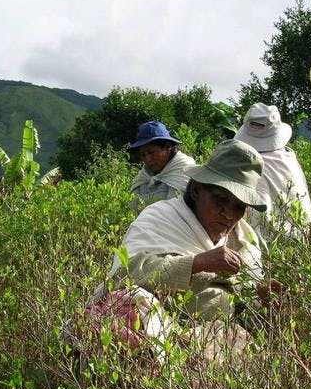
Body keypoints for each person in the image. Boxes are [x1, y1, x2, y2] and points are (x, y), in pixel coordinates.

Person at [86, 140, 277, 363]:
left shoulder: (244, 242)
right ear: (196, 190)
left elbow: (251, 319)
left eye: (239, 207)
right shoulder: (160, 218)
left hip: (217, 348)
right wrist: (197, 263)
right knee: (125, 308)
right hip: (161, 345)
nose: (229, 214)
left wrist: (266, 303)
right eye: (221, 200)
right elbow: (124, 275)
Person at [234, 103, 311, 239]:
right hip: (300, 236)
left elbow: (256, 217)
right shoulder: (289, 156)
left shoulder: (253, 167)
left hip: (272, 243)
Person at [128, 121, 195, 208]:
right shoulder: (144, 177)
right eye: (143, 155)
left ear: (167, 147)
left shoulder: (185, 170)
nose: (147, 159)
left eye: (152, 152)